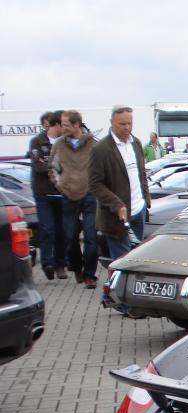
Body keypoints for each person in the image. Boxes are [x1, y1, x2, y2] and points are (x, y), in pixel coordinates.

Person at [89, 105, 151, 277]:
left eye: (130, 123)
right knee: (123, 264)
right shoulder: (101, 149)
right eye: (122, 124)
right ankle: (119, 292)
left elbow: (141, 174)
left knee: (136, 259)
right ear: (112, 122)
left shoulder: (136, 143)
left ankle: (128, 289)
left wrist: (146, 199)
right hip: (117, 216)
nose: (127, 127)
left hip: (138, 210)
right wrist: (116, 205)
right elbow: (95, 184)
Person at [49, 110, 98, 284]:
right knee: (70, 237)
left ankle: (90, 274)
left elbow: (100, 168)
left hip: (90, 194)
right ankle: (77, 268)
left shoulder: (93, 143)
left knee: (91, 237)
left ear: (76, 124)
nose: (62, 128)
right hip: (68, 195)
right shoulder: (59, 144)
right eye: (62, 125)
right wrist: (60, 186)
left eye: (66, 125)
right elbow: (52, 167)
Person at [27, 111, 67, 280]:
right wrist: (56, 167)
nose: (66, 129)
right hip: (43, 192)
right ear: (56, 125)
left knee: (62, 231)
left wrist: (50, 165)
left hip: (61, 192)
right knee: (47, 229)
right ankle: (47, 264)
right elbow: (38, 166)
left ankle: (60, 265)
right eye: (63, 125)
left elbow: (69, 165)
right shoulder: (37, 141)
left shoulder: (64, 143)